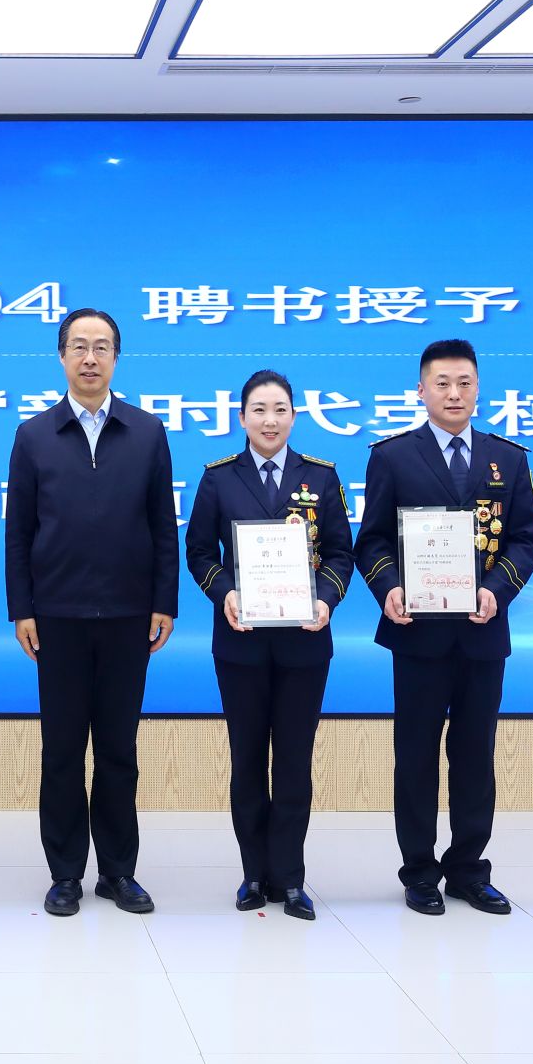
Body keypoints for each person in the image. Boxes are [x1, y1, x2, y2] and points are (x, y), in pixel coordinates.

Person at [353, 339, 533, 917]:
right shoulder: (393, 456)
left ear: (478, 388)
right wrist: (389, 588)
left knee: (474, 754)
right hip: (417, 632)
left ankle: (467, 869)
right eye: (442, 383)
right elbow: (372, 540)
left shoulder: (508, 459)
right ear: (421, 390)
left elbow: (527, 538)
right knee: (415, 755)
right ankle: (419, 871)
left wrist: (497, 590)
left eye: (464, 382)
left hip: (483, 632)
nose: (453, 393)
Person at [5, 308, 178, 917]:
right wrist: (22, 608)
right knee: (61, 750)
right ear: (61, 356)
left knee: (118, 750)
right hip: (57, 616)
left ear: (116, 358)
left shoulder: (147, 431)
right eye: (78, 346)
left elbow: (163, 525)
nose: (90, 358)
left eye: (102, 347)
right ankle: (64, 874)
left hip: (130, 615)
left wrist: (164, 601)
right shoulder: (34, 435)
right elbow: (18, 532)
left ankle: (118, 871)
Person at [184, 370, 353, 920]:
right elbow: (199, 552)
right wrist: (226, 594)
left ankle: (292, 877)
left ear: (294, 417)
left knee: (295, 763)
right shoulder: (219, 478)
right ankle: (254, 873)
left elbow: (341, 553)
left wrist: (326, 599)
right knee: (248, 759)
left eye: (280, 409)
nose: (270, 420)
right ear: (242, 418)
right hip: (242, 644)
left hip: (305, 643)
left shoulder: (321, 477)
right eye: (259, 410)